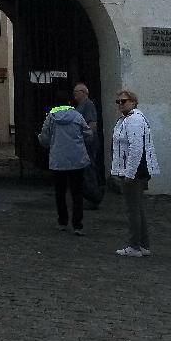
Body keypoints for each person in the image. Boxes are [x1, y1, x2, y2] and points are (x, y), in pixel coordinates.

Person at [39, 83, 93, 235]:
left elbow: (44, 138)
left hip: (58, 161)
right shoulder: (77, 116)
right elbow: (88, 134)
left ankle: (62, 221)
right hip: (77, 160)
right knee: (77, 193)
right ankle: (78, 225)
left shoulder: (51, 117)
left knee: (60, 193)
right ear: (69, 102)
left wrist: (50, 144)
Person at [110, 89, 158, 257]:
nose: (120, 104)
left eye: (124, 101)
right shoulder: (128, 119)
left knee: (133, 210)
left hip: (133, 171)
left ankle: (134, 246)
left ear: (133, 102)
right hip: (133, 170)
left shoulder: (134, 120)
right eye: (118, 102)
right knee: (138, 208)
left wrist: (129, 173)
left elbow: (136, 148)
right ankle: (143, 245)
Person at [73, 82, 103, 206]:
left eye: (76, 92)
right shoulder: (81, 106)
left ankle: (93, 196)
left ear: (83, 93)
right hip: (84, 141)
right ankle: (90, 194)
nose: (74, 94)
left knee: (89, 168)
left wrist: (85, 138)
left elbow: (92, 124)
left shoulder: (88, 104)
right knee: (87, 168)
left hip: (88, 142)